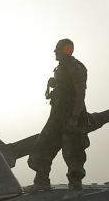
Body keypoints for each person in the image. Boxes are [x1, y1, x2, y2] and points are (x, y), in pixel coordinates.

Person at [28, 38, 90, 190]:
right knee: (44, 146)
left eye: (57, 49)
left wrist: (75, 117)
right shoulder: (60, 69)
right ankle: (41, 181)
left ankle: (75, 183)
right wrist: (54, 84)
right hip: (57, 115)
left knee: (73, 150)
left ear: (65, 50)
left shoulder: (76, 68)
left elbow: (80, 94)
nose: (54, 52)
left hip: (71, 115)